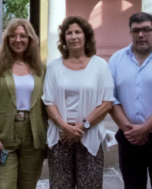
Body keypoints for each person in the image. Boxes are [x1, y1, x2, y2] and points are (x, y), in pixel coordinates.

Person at [109, 12, 152, 189]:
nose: (141, 35)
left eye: (146, 30)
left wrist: (144, 128)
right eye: (136, 31)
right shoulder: (116, 60)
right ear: (130, 33)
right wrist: (130, 131)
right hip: (128, 139)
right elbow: (110, 97)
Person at [43, 16, 114, 189]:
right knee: (60, 186)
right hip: (61, 137)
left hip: (90, 136)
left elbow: (107, 103)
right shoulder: (54, 66)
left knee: (90, 186)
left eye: (78, 32)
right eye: (69, 33)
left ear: (86, 36)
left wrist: (82, 126)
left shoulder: (100, 65)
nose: (73, 36)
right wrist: (64, 127)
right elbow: (48, 101)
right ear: (64, 38)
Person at [0, 19, 48, 189]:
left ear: (30, 39)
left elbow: (49, 102)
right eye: (13, 36)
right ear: (7, 39)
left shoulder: (41, 69)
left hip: (33, 136)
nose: (17, 40)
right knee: (4, 186)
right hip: (5, 135)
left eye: (22, 36)